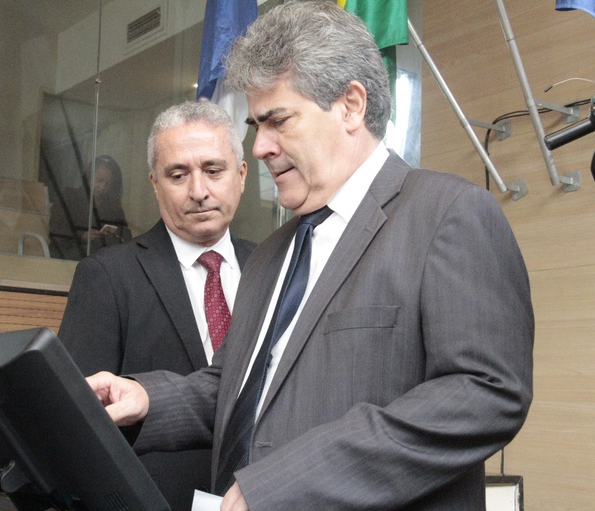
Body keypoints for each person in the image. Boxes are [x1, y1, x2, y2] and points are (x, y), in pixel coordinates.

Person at [87, 2, 534, 510]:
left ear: (351, 106)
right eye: (256, 126)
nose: (259, 147)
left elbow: (485, 393)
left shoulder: (448, 214)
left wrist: (290, 481)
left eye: (277, 121)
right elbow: (236, 386)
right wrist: (147, 400)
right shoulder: (271, 253)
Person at [58, 101, 255, 511]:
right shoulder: (107, 277)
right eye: (178, 175)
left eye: (213, 170)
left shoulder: (276, 267)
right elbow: (79, 425)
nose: (198, 191)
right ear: (154, 183)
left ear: (241, 175)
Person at [49, 154, 131, 260]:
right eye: (99, 180)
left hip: (101, 255)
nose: (103, 187)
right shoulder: (70, 196)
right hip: (68, 251)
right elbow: (56, 228)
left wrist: (115, 234)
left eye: (107, 184)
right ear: (89, 177)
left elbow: (126, 234)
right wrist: (82, 236)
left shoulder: (112, 206)